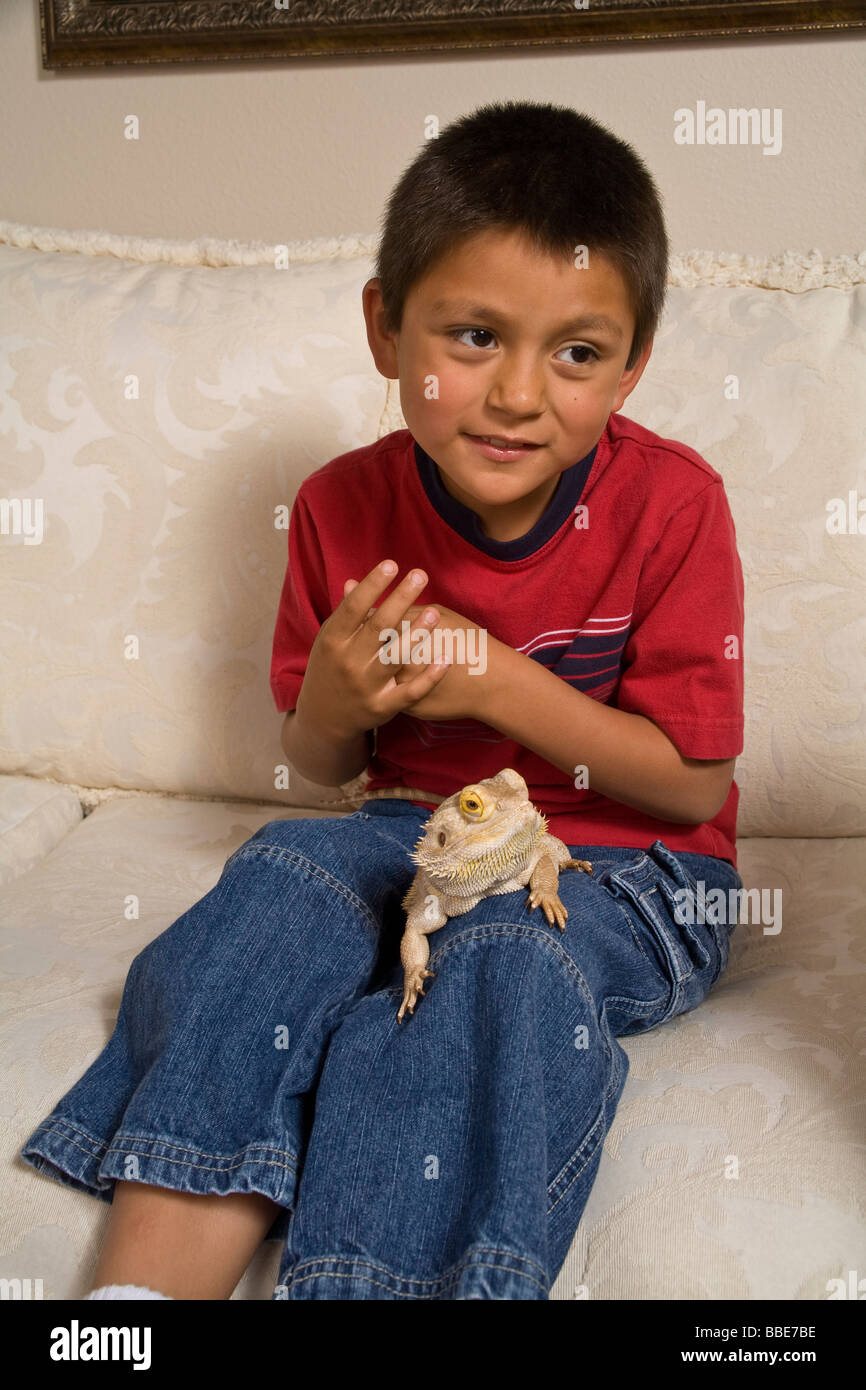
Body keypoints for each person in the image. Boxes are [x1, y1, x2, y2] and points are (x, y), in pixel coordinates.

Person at [19, 100, 745, 1301]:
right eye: (470, 336)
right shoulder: (337, 507)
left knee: (494, 955)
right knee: (279, 882)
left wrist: (493, 678)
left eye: (575, 352)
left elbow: (691, 782)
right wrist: (341, 702)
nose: (518, 392)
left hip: (623, 867)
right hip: (411, 830)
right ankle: (134, 1305)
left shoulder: (672, 506)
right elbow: (317, 759)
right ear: (383, 326)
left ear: (631, 363)